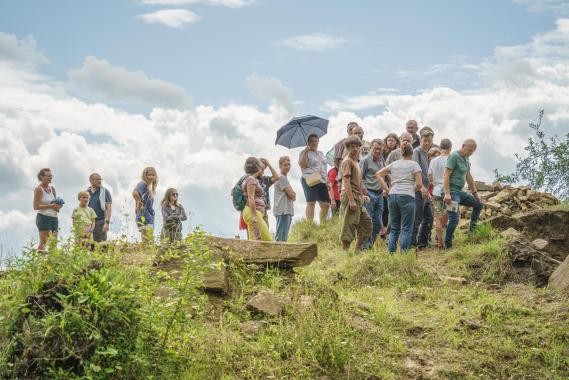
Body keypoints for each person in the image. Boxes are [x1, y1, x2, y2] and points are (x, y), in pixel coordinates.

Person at [376, 145, 425, 253]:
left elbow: (378, 174)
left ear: (401, 153)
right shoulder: (414, 165)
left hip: (393, 195)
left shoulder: (394, 164)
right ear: (412, 153)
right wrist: (412, 189)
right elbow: (419, 184)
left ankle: (391, 254)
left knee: (394, 228)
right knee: (407, 228)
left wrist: (387, 189)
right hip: (407, 196)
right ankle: (403, 255)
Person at [443, 139, 483, 249]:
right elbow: (446, 174)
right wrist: (447, 193)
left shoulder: (467, 159)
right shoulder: (454, 156)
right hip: (451, 193)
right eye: (469, 150)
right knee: (454, 219)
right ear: (463, 146)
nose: (469, 153)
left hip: (460, 193)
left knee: (478, 204)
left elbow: (469, 178)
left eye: (472, 152)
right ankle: (448, 245)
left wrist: (475, 194)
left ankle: (472, 231)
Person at [339, 136, 372, 251]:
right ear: (348, 148)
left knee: (366, 223)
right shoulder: (347, 161)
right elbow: (346, 181)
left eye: (357, 146)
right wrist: (351, 199)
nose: (355, 149)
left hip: (358, 196)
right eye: (352, 147)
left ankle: (356, 251)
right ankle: (345, 254)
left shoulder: (356, 161)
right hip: (350, 196)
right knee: (349, 225)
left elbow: (358, 180)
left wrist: (362, 194)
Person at [359, 139, 385, 250]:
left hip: (379, 195)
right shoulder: (365, 160)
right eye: (375, 149)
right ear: (371, 148)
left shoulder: (382, 160)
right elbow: (359, 178)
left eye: (379, 149)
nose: (377, 151)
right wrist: (362, 193)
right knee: (367, 222)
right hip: (368, 193)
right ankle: (364, 247)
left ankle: (370, 245)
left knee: (378, 223)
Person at [299, 134, 330, 223]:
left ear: (318, 142)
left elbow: (324, 168)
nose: (314, 143)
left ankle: (322, 223)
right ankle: (309, 224)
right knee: (311, 202)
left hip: (322, 180)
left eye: (315, 141)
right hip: (310, 179)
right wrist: (305, 151)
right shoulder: (304, 153)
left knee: (326, 204)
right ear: (308, 143)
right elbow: (302, 165)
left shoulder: (321, 153)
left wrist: (327, 181)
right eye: (312, 141)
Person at [412, 128, 435, 250]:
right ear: (421, 140)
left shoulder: (427, 154)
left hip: (426, 191)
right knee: (417, 218)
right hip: (418, 191)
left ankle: (423, 243)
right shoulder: (416, 152)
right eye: (425, 140)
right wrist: (422, 189)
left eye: (429, 141)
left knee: (429, 217)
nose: (427, 143)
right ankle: (411, 245)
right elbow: (416, 171)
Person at [428, 138, 452, 249]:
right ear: (450, 148)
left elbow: (429, 175)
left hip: (437, 191)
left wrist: (433, 181)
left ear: (440, 148)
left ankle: (440, 241)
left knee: (437, 217)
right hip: (449, 191)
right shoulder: (452, 159)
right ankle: (447, 239)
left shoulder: (434, 160)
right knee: (450, 214)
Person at [242, 157, 271, 241]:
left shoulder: (250, 178)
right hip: (254, 213)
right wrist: (254, 216)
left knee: (254, 239)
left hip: (253, 212)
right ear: (256, 166)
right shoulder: (251, 179)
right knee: (267, 240)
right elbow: (251, 198)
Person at [33, 168, 61, 251]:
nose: (50, 177)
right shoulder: (38, 189)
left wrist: (58, 206)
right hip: (43, 217)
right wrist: (51, 206)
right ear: (41, 177)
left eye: (51, 176)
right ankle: (39, 263)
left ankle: (51, 263)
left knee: (53, 243)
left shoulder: (52, 188)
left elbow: (55, 203)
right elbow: (36, 206)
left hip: (54, 218)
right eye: (48, 176)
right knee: (43, 243)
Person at [273, 156, 296, 241]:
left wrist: (293, 194)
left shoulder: (284, 178)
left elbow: (292, 195)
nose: (288, 167)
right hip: (283, 210)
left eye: (289, 165)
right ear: (280, 166)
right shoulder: (281, 177)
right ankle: (278, 254)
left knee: (283, 238)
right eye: (285, 165)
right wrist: (293, 194)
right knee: (281, 238)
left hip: (285, 210)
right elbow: (292, 195)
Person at [132, 167, 157, 242]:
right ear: (145, 175)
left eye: (153, 175)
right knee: (148, 240)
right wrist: (139, 203)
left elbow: (139, 195)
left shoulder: (149, 187)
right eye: (149, 175)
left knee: (147, 240)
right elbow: (135, 193)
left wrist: (137, 206)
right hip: (145, 216)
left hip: (146, 215)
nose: (151, 177)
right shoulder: (143, 184)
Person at [87, 173, 112, 242]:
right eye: (97, 179)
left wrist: (107, 223)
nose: (100, 181)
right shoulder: (87, 192)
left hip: (100, 221)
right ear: (91, 181)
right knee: (88, 244)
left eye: (100, 179)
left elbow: (109, 209)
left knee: (101, 243)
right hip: (88, 222)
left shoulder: (105, 192)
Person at [257, 158, 279, 228]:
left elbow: (276, 177)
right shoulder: (251, 179)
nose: (262, 171)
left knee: (265, 230)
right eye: (261, 168)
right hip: (254, 209)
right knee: (255, 233)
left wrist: (268, 164)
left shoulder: (265, 179)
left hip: (264, 210)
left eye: (263, 169)